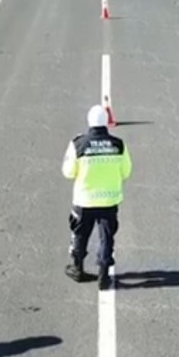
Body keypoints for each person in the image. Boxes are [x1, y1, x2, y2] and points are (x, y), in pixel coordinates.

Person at [61, 104, 132, 290]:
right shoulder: (118, 144)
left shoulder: (78, 144)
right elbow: (126, 171)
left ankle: (77, 268)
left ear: (89, 122)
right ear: (106, 122)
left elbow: (68, 172)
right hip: (109, 200)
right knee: (106, 238)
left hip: (84, 200)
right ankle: (104, 275)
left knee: (79, 235)